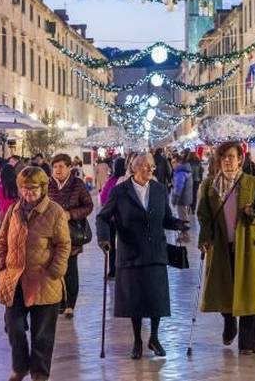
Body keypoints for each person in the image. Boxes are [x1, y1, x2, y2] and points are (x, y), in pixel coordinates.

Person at [96, 153, 188, 359]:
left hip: (155, 251)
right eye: (145, 167)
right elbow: (102, 217)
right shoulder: (120, 191)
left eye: (152, 167)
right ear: (133, 168)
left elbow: (165, 217)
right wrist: (104, 239)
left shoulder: (158, 189)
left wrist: (177, 224)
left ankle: (154, 338)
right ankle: (137, 340)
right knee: (135, 300)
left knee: (157, 298)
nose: (149, 170)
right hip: (131, 253)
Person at [0, 166, 71, 381]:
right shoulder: (14, 211)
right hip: (15, 279)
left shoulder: (54, 212)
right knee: (14, 327)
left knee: (42, 334)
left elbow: (63, 245)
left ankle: (39, 373)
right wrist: (2, 266)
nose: (28, 193)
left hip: (44, 280)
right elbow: (2, 240)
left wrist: (55, 270)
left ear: (43, 188)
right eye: (24, 188)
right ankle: (20, 367)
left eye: (32, 188)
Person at [197, 141, 255, 356]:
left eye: (231, 156)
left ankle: (248, 344)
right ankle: (229, 322)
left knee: (248, 294)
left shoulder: (253, 183)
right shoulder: (210, 185)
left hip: (246, 245)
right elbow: (204, 215)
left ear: (241, 159)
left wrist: (252, 213)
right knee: (223, 287)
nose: (227, 160)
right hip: (220, 245)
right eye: (223, 157)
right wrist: (205, 238)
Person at [48, 153, 93, 319]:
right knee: (54, 269)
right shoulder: (47, 184)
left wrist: (71, 214)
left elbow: (89, 206)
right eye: (55, 167)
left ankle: (70, 305)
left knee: (70, 269)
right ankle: (58, 302)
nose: (58, 170)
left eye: (61, 166)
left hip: (71, 234)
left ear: (69, 168)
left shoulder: (77, 184)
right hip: (51, 235)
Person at [99, 156, 126, 278]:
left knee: (112, 245)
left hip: (111, 217)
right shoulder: (127, 180)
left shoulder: (111, 180)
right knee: (124, 243)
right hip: (124, 218)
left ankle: (113, 270)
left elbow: (103, 197)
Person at [170, 153, 194, 242]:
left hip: (182, 199)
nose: (172, 165)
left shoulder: (180, 173)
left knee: (183, 218)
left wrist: (174, 199)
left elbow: (178, 188)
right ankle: (184, 234)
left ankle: (185, 236)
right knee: (184, 216)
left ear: (178, 162)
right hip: (186, 198)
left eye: (173, 162)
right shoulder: (185, 170)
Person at [0, 160, 20, 226]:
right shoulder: (18, 188)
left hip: (3, 215)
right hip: (16, 215)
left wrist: (0, 181)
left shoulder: (0, 189)